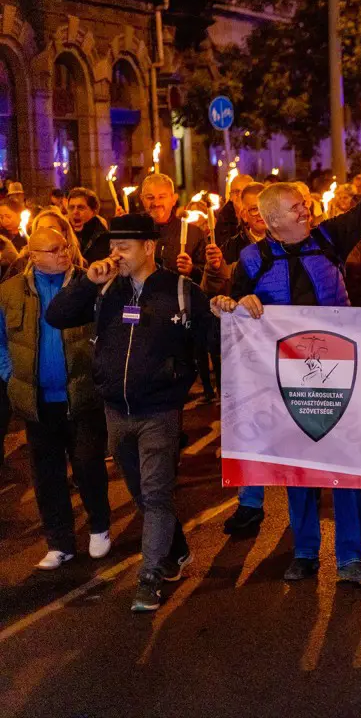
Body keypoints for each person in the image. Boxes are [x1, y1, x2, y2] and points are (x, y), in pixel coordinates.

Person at [210, 115, 361, 583]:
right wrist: (236, 302)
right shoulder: (252, 259)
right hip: (286, 379)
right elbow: (231, 310)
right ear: (271, 220)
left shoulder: (330, 238)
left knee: (348, 470)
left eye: (306, 204)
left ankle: (351, 557)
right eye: (296, 207)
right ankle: (306, 552)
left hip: (343, 372)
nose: (305, 211)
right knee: (301, 470)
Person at [46, 213, 212, 612]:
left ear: (149, 247)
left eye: (125, 246)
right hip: (115, 411)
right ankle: (175, 549)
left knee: (155, 494)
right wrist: (88, 281)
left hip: (160, 410)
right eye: (111, 247)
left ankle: (149, 578)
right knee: (140, 492)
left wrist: (225, 300)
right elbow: (57, 316)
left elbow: (214, 339)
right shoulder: (105, 291)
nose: (115, 254)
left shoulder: (181, 290)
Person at [0, 227, 111, 570]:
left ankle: (99, 527)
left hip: (81, 395)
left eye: (64, 247)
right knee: (46, 474)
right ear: (32, 256)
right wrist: (9, 376)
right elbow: (1, 341)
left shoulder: (88, 284)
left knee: (88, 464)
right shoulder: (9, 292)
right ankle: (59, 541)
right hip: (37, 400)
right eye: (52, 250)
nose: (62, 254)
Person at [138, 173, 206, 280]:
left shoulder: (193, 234)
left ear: (173, 199)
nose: (156, 203)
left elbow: (207, 277)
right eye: (150, 197)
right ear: (142, 199)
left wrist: (191, 270)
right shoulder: (135, 232)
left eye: (162, 197)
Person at [67, 188, 109, 263]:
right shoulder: (64, 234)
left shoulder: (105, 239)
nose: (75, 212)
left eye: (81, 207)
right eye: (71, 207)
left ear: (94, 211)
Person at [215, 173, 254, 247]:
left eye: (244, 192)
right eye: (236, 192)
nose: (240, 195)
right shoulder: (224, 219)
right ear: (230, 196)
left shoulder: (262, 215)